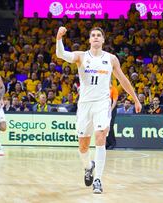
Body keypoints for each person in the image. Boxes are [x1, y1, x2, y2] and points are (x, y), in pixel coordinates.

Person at [56, 26, 142, 194]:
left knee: (101, 136)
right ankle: (88, 167)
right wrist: (59, 38)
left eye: (98, 35)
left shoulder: (111, 59)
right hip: (85, 105)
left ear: (103, 40)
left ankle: (98, 180)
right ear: (89, 40)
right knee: (83, 145)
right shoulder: (81, 56)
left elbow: (123, 80)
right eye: (93, 35)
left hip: (102, 103)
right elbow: (61, 54)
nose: (95, 37)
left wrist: (136, 99)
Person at [106, 85, 118, 150]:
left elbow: (114, 101)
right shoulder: (103, 88)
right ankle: (107, 143)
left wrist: (110, 110)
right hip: (104, 108)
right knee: (105, 126)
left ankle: (112, 143)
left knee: (110, 125)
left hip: (111, 109)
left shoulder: (114, 89)